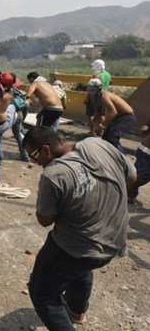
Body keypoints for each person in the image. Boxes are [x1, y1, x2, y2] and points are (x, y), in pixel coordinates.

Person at [22, 126, 135, 330]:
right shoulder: (98, 143)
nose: (35, 162)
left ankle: (71, 313)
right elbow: (132, 177)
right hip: (112, 242)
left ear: (46, 149)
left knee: (43, 294)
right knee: (80, 269)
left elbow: (45, 220)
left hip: (73, 250)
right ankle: (76, 309)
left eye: (35, 155)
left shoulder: (53, 174)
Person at [88, 78, 136, 153]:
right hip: (118, 118)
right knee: (105, 138)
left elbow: (113, 112)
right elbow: (99, 111)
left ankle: (122, 158)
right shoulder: (98, 97)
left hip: (126, 117)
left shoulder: (103, 95)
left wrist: (101, 126)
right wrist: (93, 123)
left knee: (112, 138)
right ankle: (110, 156)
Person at [85, 59, 110, 136]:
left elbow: (92, 88)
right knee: (101, 114)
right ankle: (100, 131)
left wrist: (87, 98)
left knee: (90, 114)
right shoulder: (108, 74)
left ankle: (92, 131)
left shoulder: (96, 75)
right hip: (104, 96)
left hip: (94, 97)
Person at [129, 117, 150, 203]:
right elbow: (144, 129)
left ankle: (131, 193)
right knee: (141, 178)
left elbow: (144, 129)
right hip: (147, 152)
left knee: (137, 174)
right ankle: (124, 193)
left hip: (143, 149)